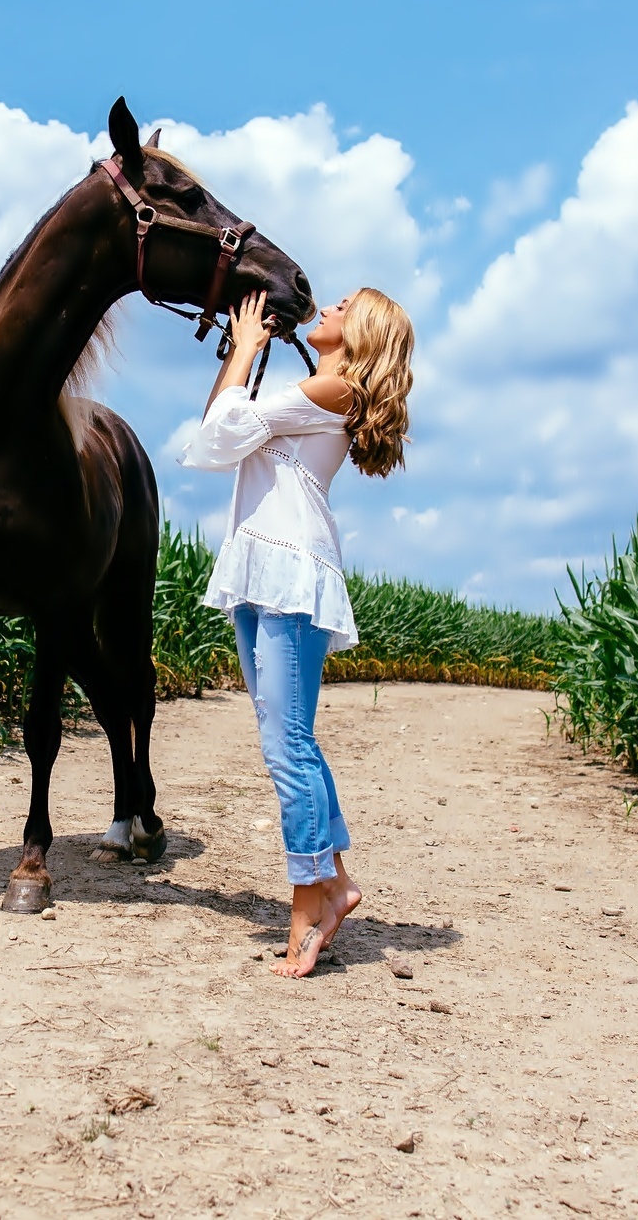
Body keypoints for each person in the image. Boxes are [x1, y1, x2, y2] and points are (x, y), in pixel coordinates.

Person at [181, 286, 416, 978]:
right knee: (289, 741)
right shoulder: (317, 390)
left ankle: (308, 905)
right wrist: (240, 356)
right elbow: (216, 434)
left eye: (343, 307)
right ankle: (336, 882)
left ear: (360, 334)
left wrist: (246, 348)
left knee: (287, 746)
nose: (327, 308)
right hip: (265, 567)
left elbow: (217, 436)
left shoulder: (333, 389)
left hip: (290, 571)